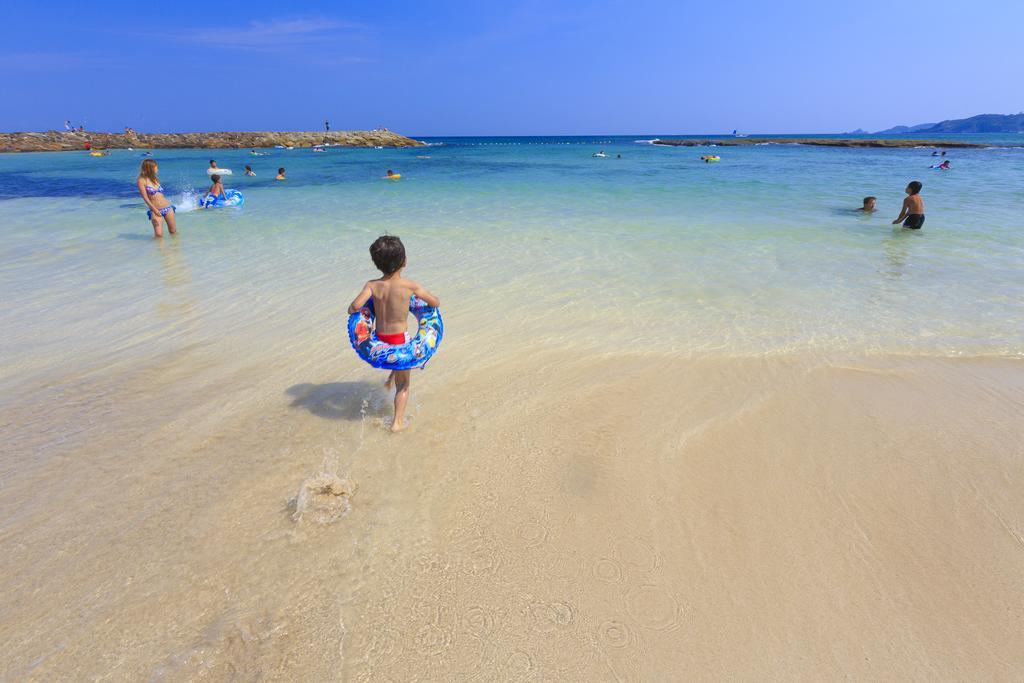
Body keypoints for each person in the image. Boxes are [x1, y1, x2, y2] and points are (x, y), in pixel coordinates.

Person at [347, 236, 440, 432]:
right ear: (404, 261)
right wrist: (433, 300)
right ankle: (397, 423)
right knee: (404, 384)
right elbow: (433, 303)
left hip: (379, 339)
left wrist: (355, 309)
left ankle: (389, 381)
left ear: (376, 264)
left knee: (394, 358)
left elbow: (355, 307)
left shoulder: (372, 285)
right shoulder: (410, 286)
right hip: (400, 340)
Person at [137, 159, 177, 238]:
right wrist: (155, 210)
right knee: (158, 235)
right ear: (150, 168)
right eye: (156, 167)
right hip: (155, 210)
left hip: (168, 208)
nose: (157, 169)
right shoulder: (141, 180)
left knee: (173, 231)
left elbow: (160, 195)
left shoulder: (155, 179)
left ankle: (174, 249)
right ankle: (160, 250)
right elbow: (145, 198)